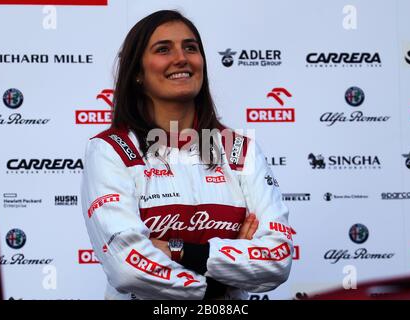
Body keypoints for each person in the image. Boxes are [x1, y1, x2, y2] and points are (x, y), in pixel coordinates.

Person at [81, 10, 292, 300]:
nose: (181, 58)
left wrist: (177, 250)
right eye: (163, 49)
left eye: (190, 48)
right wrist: (222, 284)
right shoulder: (110, 149)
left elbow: (277, 258)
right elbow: (127, 266)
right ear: (138, 73)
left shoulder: (239, 148)